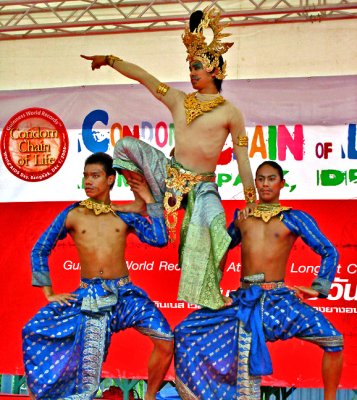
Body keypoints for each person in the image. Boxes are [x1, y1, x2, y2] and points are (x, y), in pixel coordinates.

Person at [81, 7, 256, 310]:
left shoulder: (230, 112)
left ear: (215, 68)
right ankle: (145, 202)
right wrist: (109, 60)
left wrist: (251, 198)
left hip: (203, 189)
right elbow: (145, 78)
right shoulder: (178, 99)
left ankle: (211, 294)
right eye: (190, 67)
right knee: (125, 144)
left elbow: (242, 157)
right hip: (168, 178)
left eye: (197, 66)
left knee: (216, 231)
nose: (192, 72)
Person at [174, 161, 344, 400]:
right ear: (255, 183)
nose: (265, 184)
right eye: (261, 179)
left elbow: (329, 251)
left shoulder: (294, 218)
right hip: (244, 301)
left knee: (334, 339)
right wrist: (201, 211)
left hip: (279, 301)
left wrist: (318, 287)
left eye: (271, 179)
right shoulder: (243, 217)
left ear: (281, 183)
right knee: (185, 330)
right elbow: (219, 248)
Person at [22, 152, 174, 400]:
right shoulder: (73, 214)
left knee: (166, 340)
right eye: (85, 176)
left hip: (125, 295)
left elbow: (159, 238)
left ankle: (150, 397)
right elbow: (40, 249)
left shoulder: (123, 214)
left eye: (95, 176)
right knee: (32, 331)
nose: (88, 181)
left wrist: (149, 200)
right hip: (89, 297)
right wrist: (48, 292)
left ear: (111, 179)